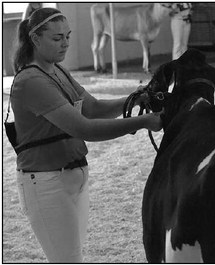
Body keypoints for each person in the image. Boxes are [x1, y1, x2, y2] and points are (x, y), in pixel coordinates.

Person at [11, 7, 162, 263]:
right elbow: (84, 128)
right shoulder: (31, 81)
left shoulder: (57, 70)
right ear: (35, 39)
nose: (66, 44)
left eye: (68, 36)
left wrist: (135, 99)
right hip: (46, 181)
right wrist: (145, 121)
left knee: (72, 257)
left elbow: (91, 108)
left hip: (75, 176)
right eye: (57, 39)